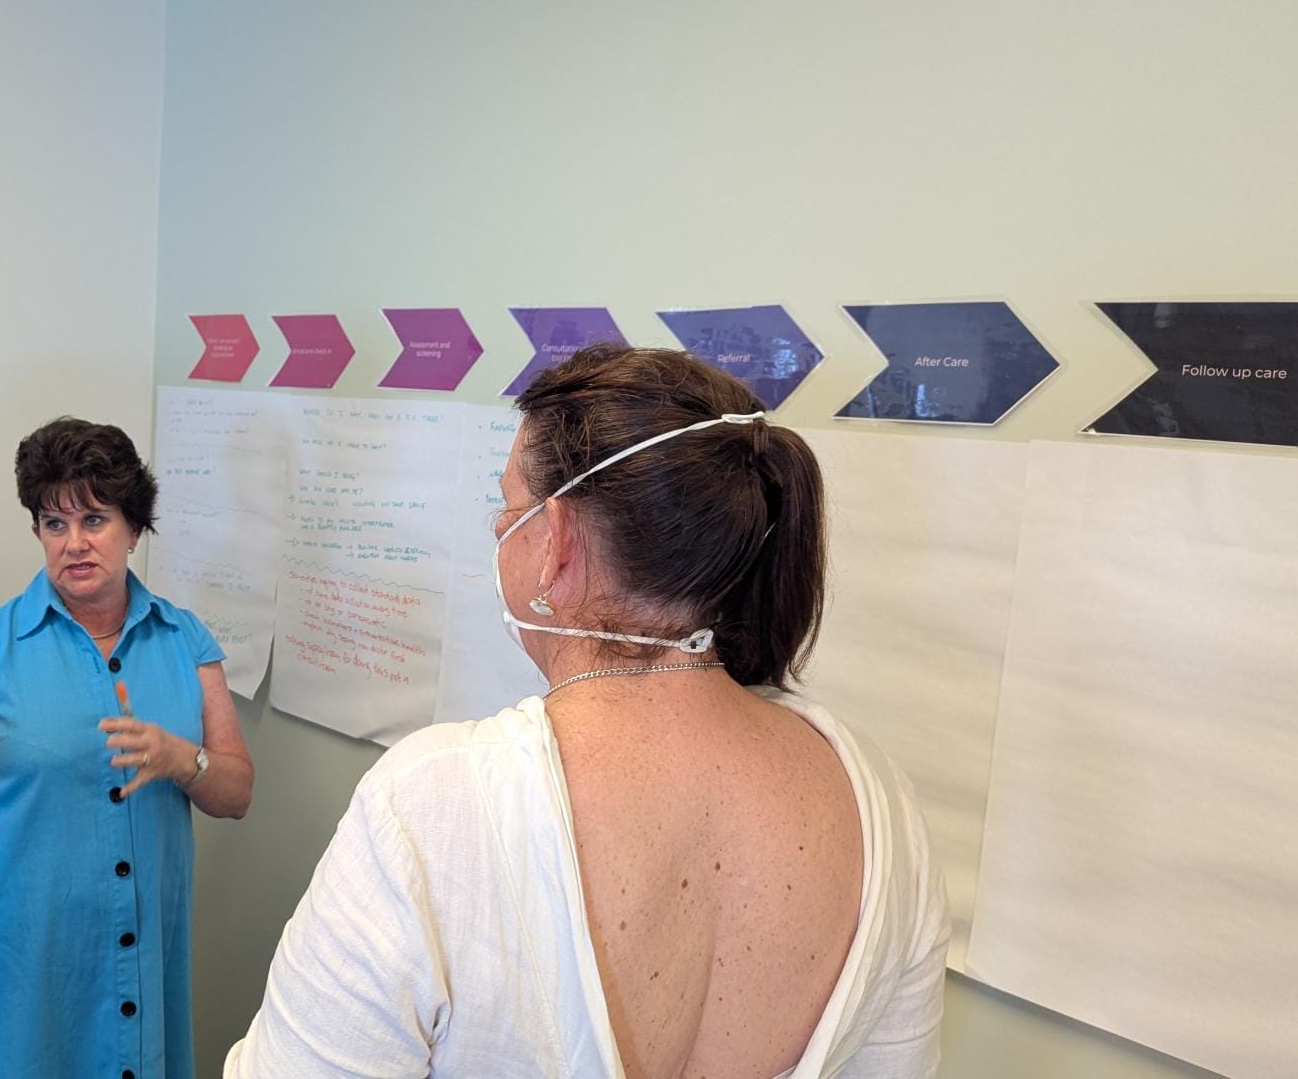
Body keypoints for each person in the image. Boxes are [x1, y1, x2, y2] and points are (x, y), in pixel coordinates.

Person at [226, 347, 949, 1077]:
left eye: (506, 507)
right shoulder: (878, 806)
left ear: (556, 541)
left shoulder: (434, 803)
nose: (497, 528)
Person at [0, 417, 254, 1079]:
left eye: (94, 520)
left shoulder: (186, 642)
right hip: (9, 960)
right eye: (53, 524)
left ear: (135, 526)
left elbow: (237, 793)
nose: (74, 543)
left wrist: (179, 760)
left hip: (129, 956)